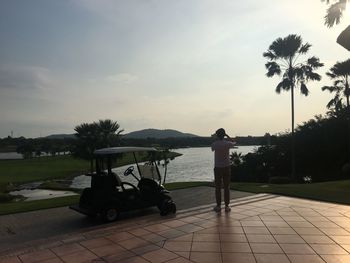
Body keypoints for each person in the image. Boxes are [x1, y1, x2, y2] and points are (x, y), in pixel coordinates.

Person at [211, 128, 235, 212]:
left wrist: (216, 137)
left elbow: (212, 147)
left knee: (218, 187)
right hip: (227, 167)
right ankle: (227, 206)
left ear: (217, 135)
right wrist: (227, 135)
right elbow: (234, 142)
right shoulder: (227, 143)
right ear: (224, 135)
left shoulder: (214, 144)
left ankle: (218, 206)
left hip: (218, 167)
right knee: (226, 187)